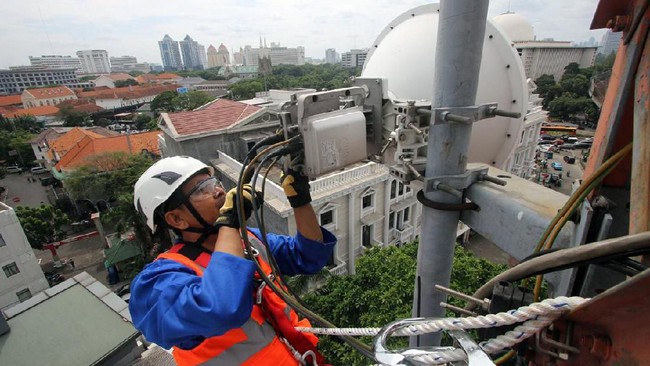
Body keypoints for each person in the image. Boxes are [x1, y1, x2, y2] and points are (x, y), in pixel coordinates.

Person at [129, 156, 336, 366]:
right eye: (201, 189)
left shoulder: (248, 240)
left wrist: (300, 201)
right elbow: (223, 308)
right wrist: (229, 223)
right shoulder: (157, 283)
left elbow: (309, 256)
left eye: (213, 183)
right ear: (176, 219)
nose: (218, 191)